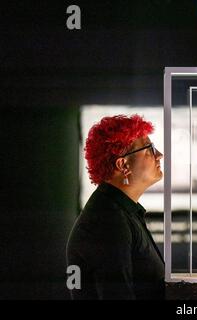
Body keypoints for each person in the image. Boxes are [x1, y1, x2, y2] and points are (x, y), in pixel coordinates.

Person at [66, 114, 164, 300]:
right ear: (123, 164)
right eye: (149, 149)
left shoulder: (117, 211)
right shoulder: (108, 220)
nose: (159, 155)